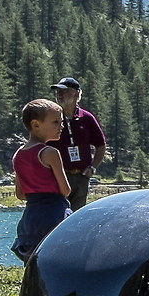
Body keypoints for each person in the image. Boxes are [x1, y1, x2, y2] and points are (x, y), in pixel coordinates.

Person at [12, 99, 73, 262]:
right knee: (58, 258)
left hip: (31, 217)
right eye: (56, 122)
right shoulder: (50, 153)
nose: (61, 126)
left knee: (33, 260)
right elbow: (65, 190)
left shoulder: (18, 155)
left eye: (61, 122)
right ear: (36, 124)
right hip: (53, 213)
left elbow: (20, 194)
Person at [52, 76, 108, 210]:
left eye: (64, 91)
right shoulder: (51, 117)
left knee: (77, 216)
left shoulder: (86, 118)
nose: (59, 94)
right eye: (58, 91)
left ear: (76, 94)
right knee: (58, 215)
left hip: (81, 178)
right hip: (57, 178)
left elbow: (101, 144)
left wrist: (92, 167)